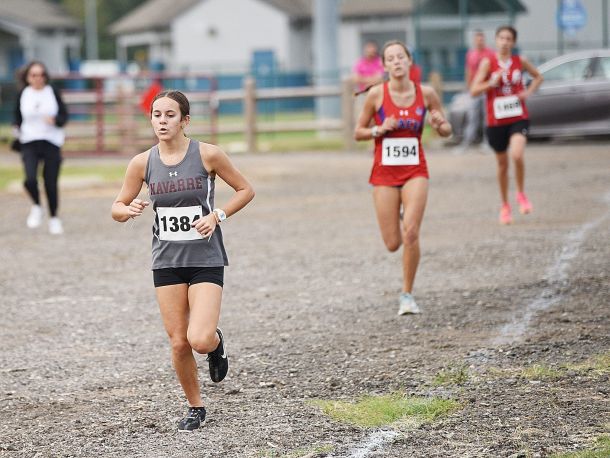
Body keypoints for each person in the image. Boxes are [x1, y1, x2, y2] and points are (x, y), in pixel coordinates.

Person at [111, 90, 255, 431]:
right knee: (179, 341)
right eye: (156, 115)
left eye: (170, 115)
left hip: (205, 257)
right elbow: (116, 207)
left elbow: (246, 190)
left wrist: (217, 215)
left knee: (199, 339)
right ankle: (195, 406)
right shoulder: (142, 163)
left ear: (185, 120)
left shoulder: (208, 154)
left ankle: (216, 344)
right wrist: (127, 210)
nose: (162, 121)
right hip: (166, 261)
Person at [354, 40, 452, 316]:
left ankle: (407, 295)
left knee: (411, 232)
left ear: (409, 61)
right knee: (392, 243)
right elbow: (358, 132)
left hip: (414, 171)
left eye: (401, 57)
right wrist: (379, 129)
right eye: (391, 58)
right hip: (384, 173)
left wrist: (440, 125)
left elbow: (447, 130)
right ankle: (400, 214)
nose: (396, 61)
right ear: (385, 66)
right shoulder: (376, 94)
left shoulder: (426, 93)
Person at [470, 26, 543, 224]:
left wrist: (527, 92)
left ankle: (521, 193)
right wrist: (490, 83)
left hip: (518, 116)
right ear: (496, 40)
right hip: (496, 121)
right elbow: (474, 90)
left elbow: (538, 77)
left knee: (517, 154)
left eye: (508, 38)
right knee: (502, 165)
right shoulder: (488, 62)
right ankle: (505, 205)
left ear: (513, 42)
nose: (504, 42)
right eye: (501, 38)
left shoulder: (520, 61)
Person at [13, 61, 68, 235]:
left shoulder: (52, 92)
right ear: (27, 77)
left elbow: (64, 115)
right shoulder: (23, 93)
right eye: (34, 75)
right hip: (29, 141)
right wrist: (16, 129)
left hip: (51, 141)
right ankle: (37, 205)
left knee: (50, 182)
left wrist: (56, 120)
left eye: (41, 74)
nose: (38, 78)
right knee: (29, 179)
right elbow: (17, 117)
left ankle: (54, 218)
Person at [455, 30, 494, 154]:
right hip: (474, 91)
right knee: (472, 117)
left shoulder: (490, 53)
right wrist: (468, 87)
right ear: (474, 41)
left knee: (487, 118)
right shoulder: (471, 54)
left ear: (484, 40)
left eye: (481, 39)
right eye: (477, 40)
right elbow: (468, 71)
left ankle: (488, 143)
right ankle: (466, 143)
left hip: (486, 90)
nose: (479, 42)